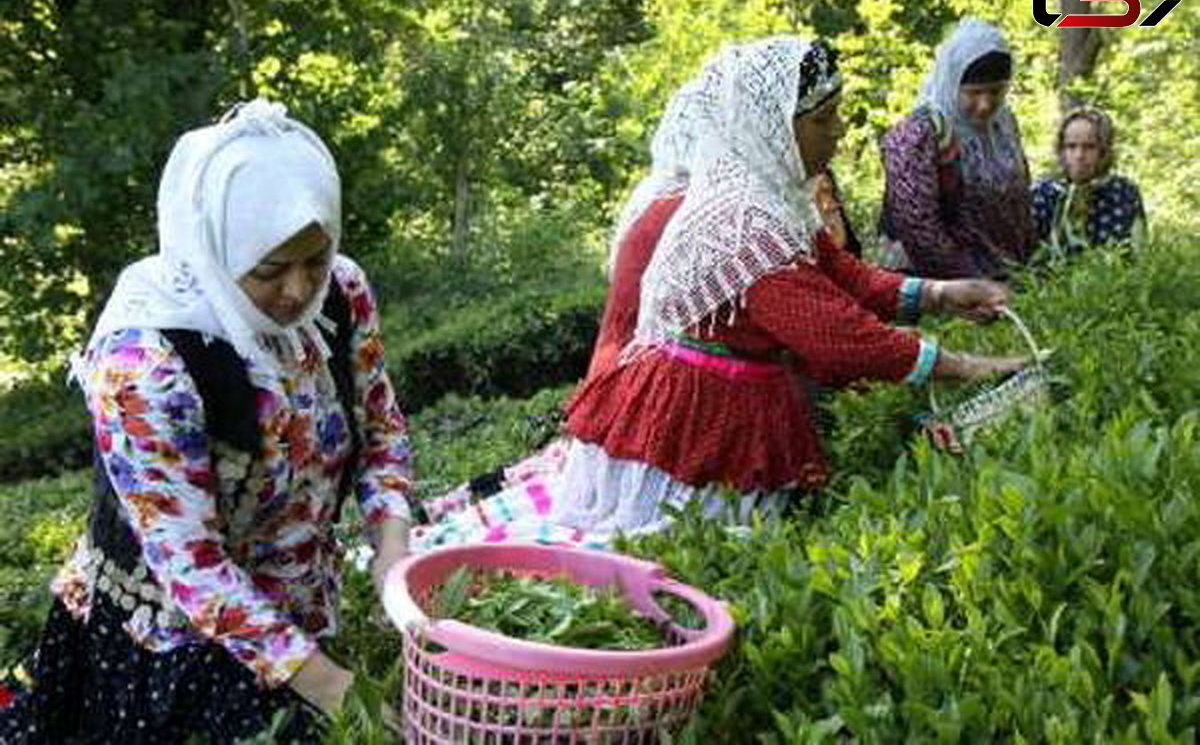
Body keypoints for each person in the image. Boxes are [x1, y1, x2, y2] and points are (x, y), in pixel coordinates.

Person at [411, 37, 1027, 550]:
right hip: (691, 419)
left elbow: (847, 277)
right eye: (821, 120)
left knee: (700, 550)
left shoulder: (773, 197)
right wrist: (966, 367)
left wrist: (944, 293)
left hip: (728, 401)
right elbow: (840, 338)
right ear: (772, 127)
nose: (838, 133)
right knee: (659, 551)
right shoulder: (742, 220)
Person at [0, 100, 412, 744]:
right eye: (269, 270)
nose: (299, 290)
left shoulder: (343, 292)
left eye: (316, 257)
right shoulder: (145, 363)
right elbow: (191, 565)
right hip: (171, 641)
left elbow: (381, 427)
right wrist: (333, 687)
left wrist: (392, 549)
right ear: (213, 245)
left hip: (298, 613)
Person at [878, 18, 1037, 278]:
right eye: (974, 93)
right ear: (952, 85)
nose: (985, 104)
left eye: (995, 92)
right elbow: (917, 226)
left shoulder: (1003, 127)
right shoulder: (920, 133)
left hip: (1003, 279)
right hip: (933, 286)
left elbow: (1019, 201)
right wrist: (970, 282)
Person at [1031, 106, 1145, 255]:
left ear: (1104, 150)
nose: (1079, 155)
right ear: (1061, 150)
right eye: (1071, 147)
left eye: (1089, 147)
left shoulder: (1123, 192)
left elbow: (1137, 249)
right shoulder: (1043, 193)